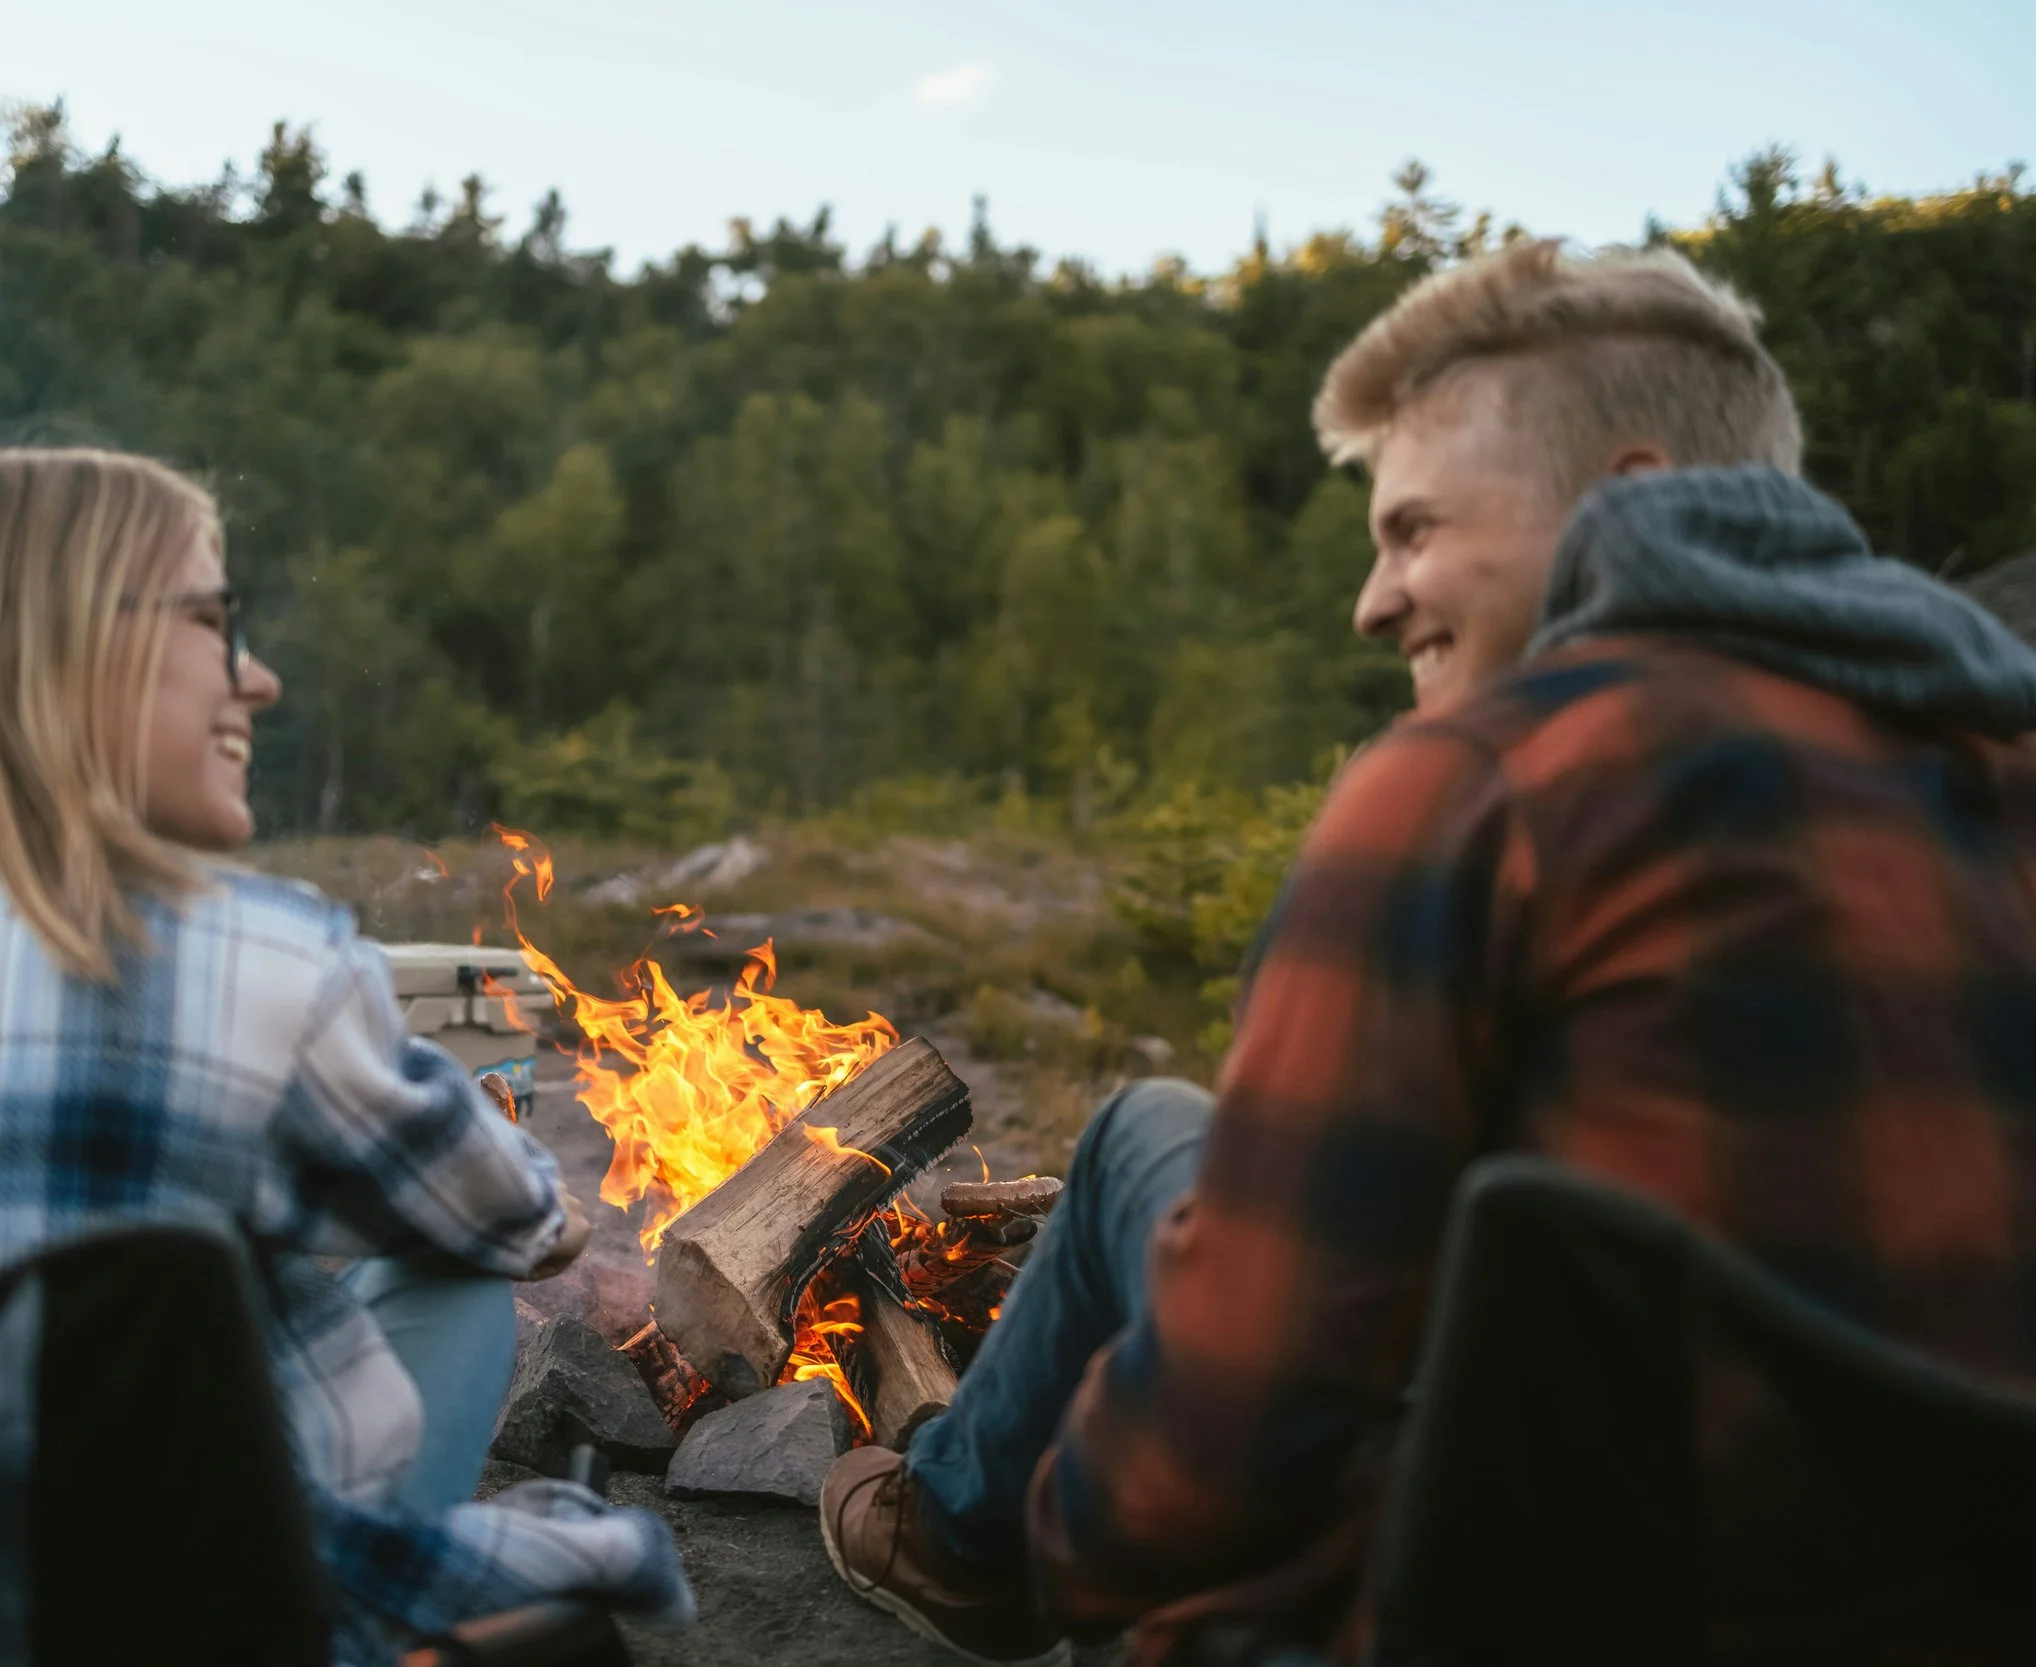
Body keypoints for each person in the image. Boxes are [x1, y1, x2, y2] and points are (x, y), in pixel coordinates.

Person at [821, 239, 2036, 1664]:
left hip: (1498, 1610)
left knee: (1144, 1132)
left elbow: (1206, 1457)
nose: (1374, 600)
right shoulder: (1998, 776)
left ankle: (959, 1540)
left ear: (1635, 499)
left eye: (1414, 531)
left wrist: (1085, 1549)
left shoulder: (1477, 789)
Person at [0, 444, 688, 1664]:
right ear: (77, 645)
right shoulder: (244, 955)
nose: (261, 678)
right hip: (160, 1622)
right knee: (445, 1261)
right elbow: (520, 1224)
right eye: (218, 623)